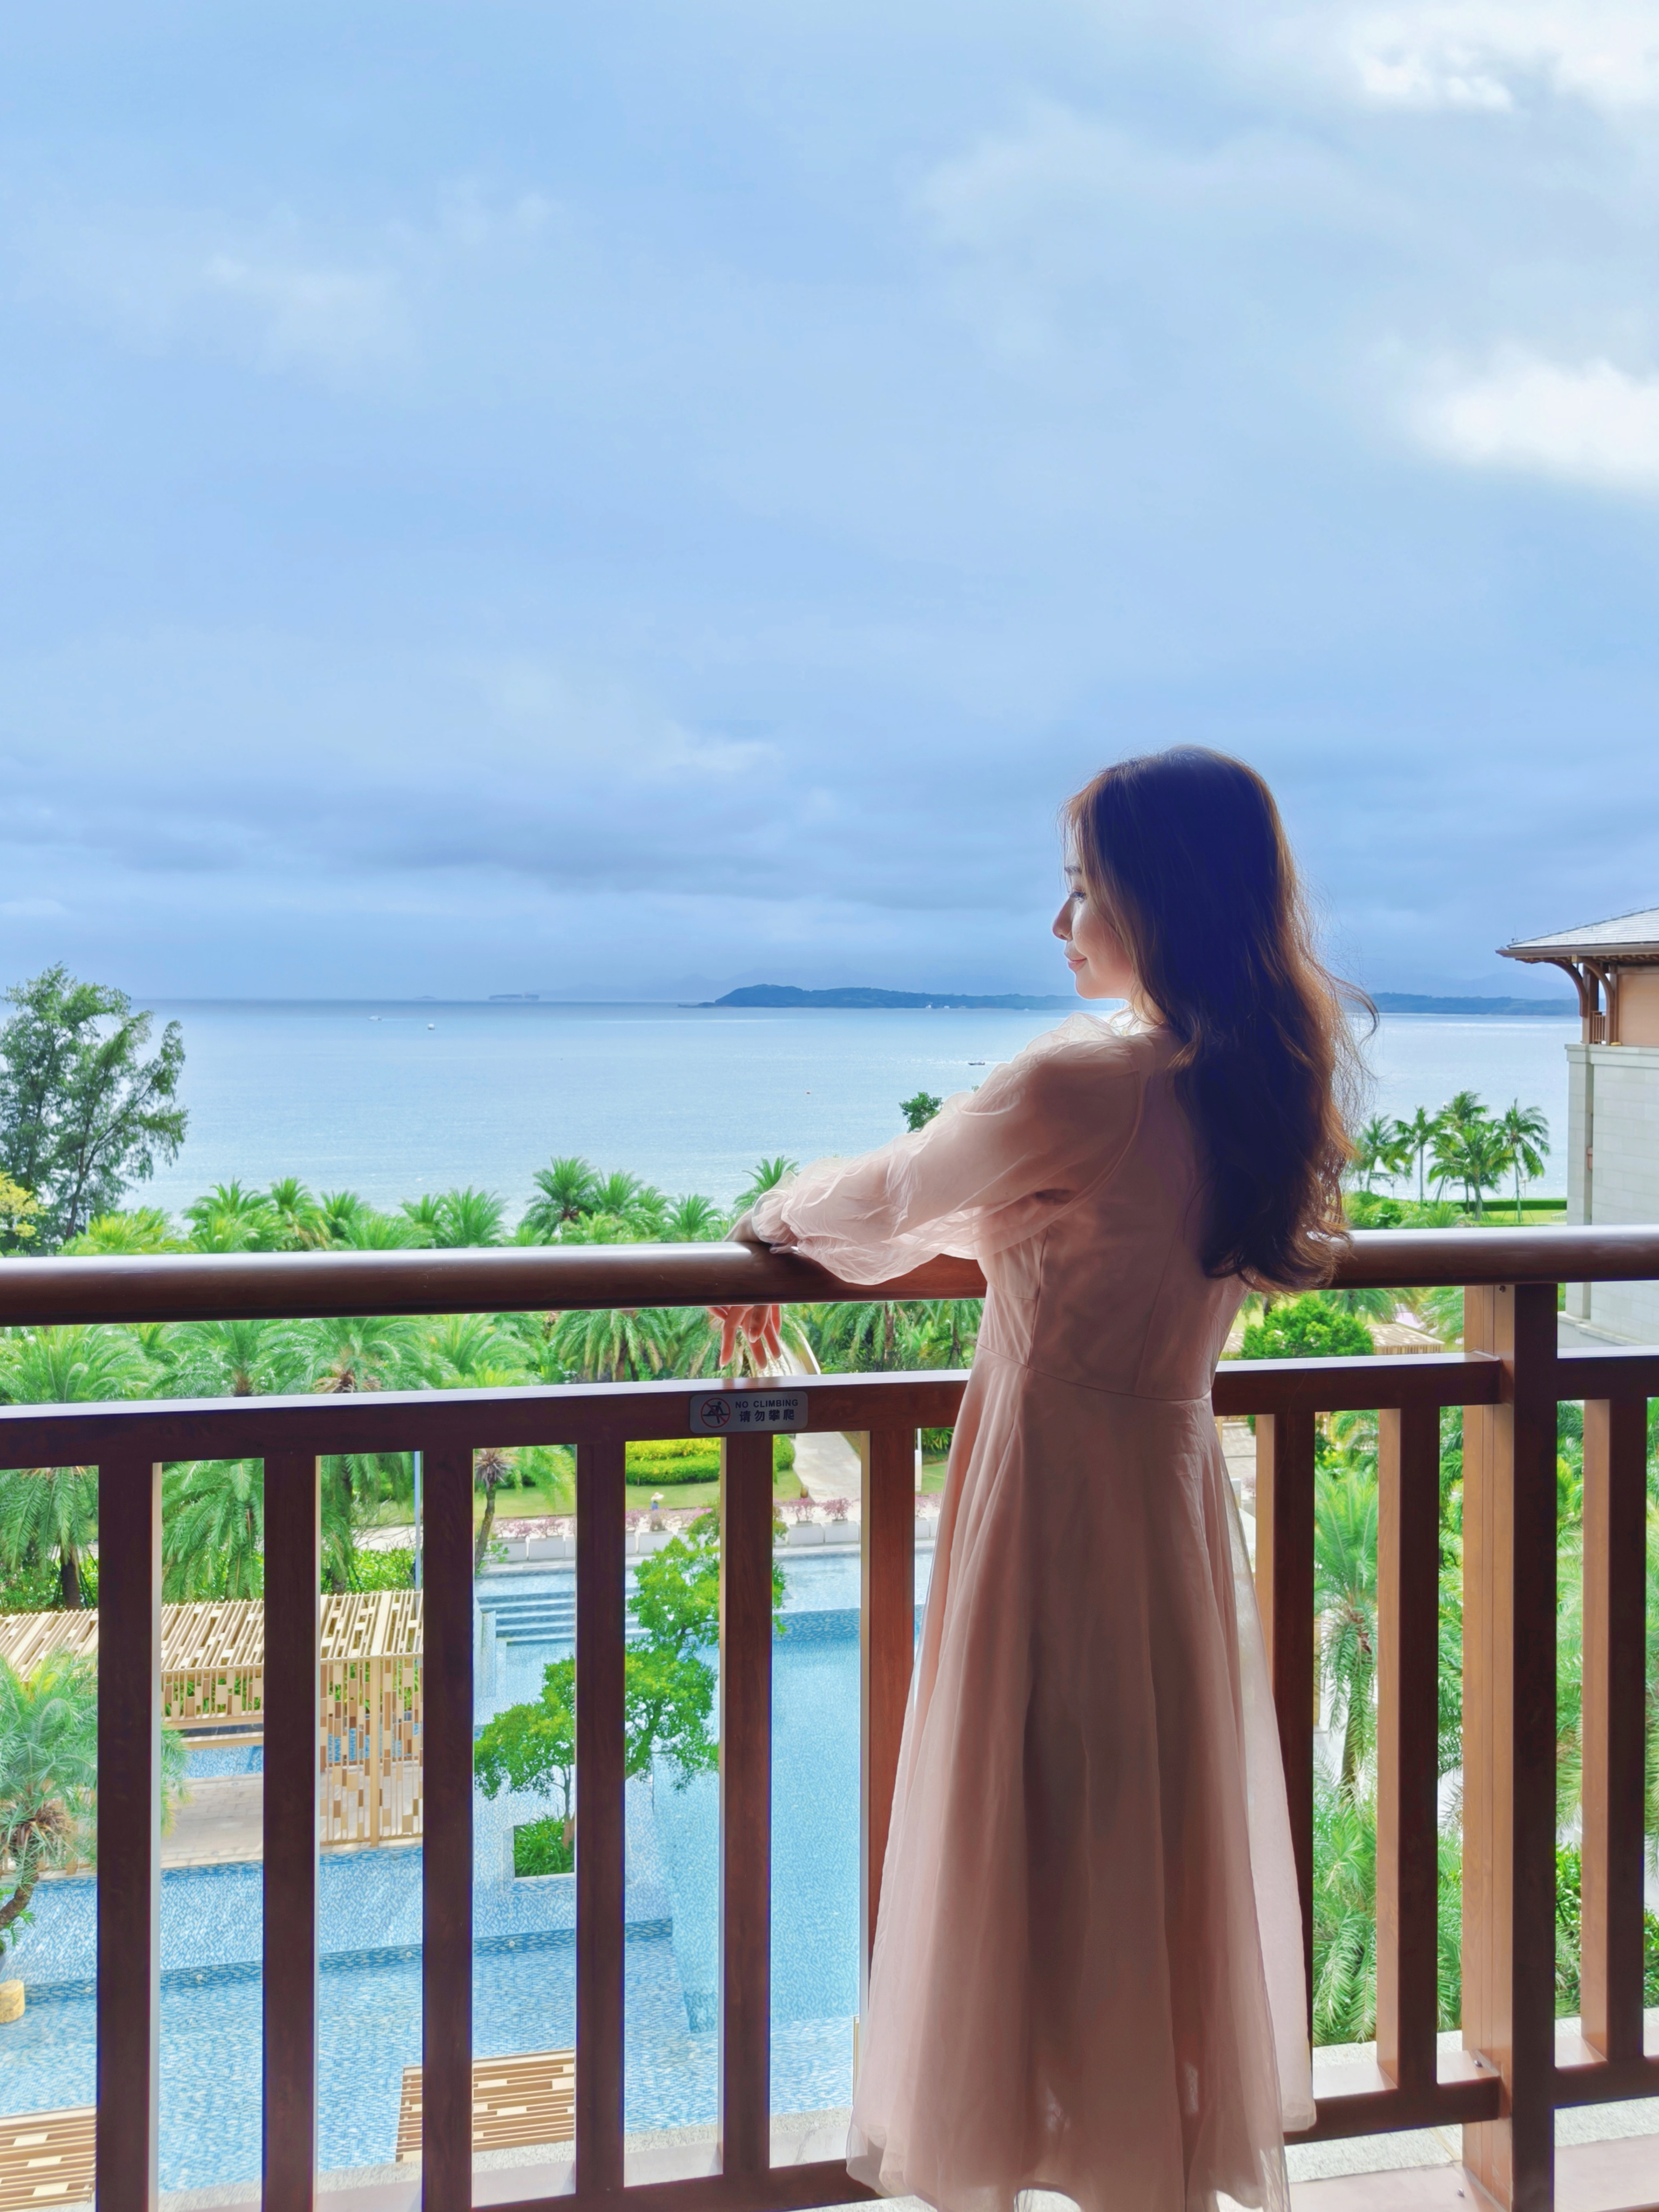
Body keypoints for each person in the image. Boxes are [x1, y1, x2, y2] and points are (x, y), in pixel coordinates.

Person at [720, 748, 1360, 2212]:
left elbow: (891, 1197)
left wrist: (767, 1212)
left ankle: (1027, 2136)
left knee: (1036, 1815)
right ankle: (1141, 2146)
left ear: (1156, 898)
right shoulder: (1253, 1079)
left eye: (1082, 890)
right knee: (1140, 1811)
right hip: (1168, 1489)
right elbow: (1035, 1217)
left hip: (1057, 1490)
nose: (1060, 922)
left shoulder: (1086, 1082)